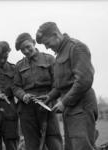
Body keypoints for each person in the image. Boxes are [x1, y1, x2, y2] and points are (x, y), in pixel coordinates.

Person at [36, 22, 98, 150]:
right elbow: (61, 85)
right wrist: (49, 97)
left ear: (55, 35)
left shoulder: (76, 48)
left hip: (81, 107)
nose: (47, 48)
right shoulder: (60, 53)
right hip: (71, 107)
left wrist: (64, 102)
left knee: (82, 147)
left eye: (47, 43)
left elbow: (84, 80)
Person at [13, 33, 63, 150]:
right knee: (31, 142)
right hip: (27, 108)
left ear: (34, 43)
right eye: (22, 49)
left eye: (28, 47)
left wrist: (50, 96)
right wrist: (23, 95)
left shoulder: (49, 59)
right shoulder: (19, 66)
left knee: (53, 139)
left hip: (47, 105)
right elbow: (15, 87)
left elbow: (58, 83)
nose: (26, 51)